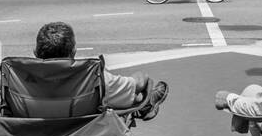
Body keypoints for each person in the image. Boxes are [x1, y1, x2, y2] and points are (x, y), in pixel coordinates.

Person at [34, 21, 167, 114]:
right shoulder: (92, 77)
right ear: (73, 52)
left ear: (35, 53)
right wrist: (142, 75)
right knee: (137, 95)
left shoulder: (16, 78)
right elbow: (138, 84)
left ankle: (143, 104)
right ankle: (145, 105)